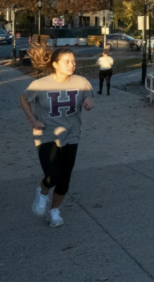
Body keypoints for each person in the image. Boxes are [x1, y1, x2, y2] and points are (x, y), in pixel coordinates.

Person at [20, 47, 95, 227]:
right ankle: (43, 192)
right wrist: (32, 120)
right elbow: (23, 98)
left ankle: (54, 211)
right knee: (53, 175)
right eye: (67, 62)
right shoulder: (41, 84)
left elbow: (89, 98)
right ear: (55, 64)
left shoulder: (82, 82)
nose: (72, 65)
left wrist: (88, 103)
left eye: (73, 61)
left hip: (72, 135)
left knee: (65, 177)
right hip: (46, 134)